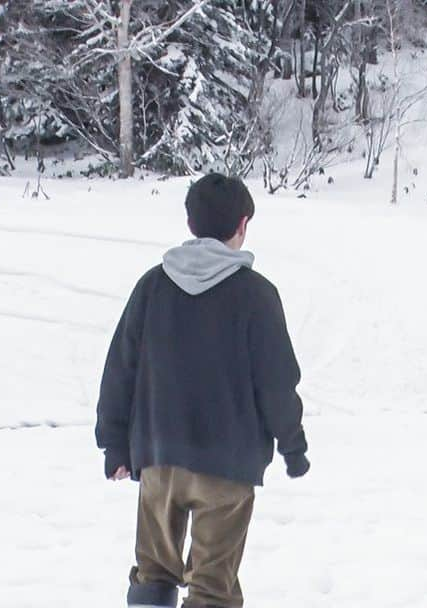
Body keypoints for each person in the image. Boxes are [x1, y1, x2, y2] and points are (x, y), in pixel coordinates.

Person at [95, 173, 309, 608]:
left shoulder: (152, 287)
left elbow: (120, 369)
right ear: (242, 225)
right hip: (226, 469)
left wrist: (114, 445)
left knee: (153, 572)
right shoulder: (257, 295)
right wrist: (292, 446)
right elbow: (276, 382)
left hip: (159, 460)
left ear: (190, 224)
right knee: (213, 586)